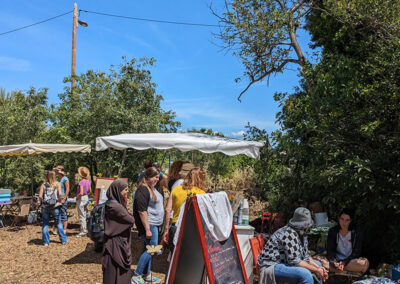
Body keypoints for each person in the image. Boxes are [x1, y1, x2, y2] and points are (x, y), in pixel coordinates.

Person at [258, 207, 328, 284]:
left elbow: (306, 255)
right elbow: (295, 261)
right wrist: (316, 270)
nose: (308, 228)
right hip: (272, 266)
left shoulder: (302, 234)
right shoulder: (288, 233)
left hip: (285, 262)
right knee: (305, 274)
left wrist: (319, 268)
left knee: (318, 264)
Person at [131, 167, 164, 284]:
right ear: (149, 177)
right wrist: (147, 229)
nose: (157, 179)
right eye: (156, 177)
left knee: (148, 249)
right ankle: (136, 275)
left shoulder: (151, 188)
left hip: (154, 224)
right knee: (152, 249)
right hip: (150, 225)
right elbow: (142, 211)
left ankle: (146, 274)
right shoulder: (143, 190)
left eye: (158, 177)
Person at [162, 167, 206, 253]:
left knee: (174, 256)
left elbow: (168, 210)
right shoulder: (202, 193)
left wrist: (166, 229)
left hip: (175, 227)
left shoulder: (176, 189)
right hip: (191, 230)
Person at [102, 179, 135, 284]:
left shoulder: (112, 204)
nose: (127, 191)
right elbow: (131, 220)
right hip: (115, 244)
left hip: (113, 243)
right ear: (117, 190)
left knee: (114, 272)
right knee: (115, 272)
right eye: (125, 189)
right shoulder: (115, 207)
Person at [327, 208, 369, 273]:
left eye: (347, 220)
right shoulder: (333, 231)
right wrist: (333, 262)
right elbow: (330, 250)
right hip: (337, 260)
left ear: (351, 221)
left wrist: (344, 262)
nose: (344, 223)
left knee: (364, 263)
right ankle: (341, 269)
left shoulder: (356, 233)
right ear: (339, 219)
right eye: (342, 219)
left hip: (350, 261)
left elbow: (356, 253)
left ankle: (338, 269)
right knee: (321, 261)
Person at [39, 170, 67, 246]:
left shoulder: (43, 184)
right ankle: (63, 240)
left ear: (46, 176)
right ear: (54, 176)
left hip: (45, 206)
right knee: (58, 223)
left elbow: (40, 196)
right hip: (55, 206)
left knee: (45, 224)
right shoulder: (57, 184)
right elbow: (60, 194)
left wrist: (42, 202)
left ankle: (46, 242)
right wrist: (60, 200)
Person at [76, 166, 91, 237]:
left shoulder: (81, 182)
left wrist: (77, 197)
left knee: (81, 215)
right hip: (86, 198)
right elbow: (90, 191)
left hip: (81, 199)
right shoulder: (88, 182)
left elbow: (81, 193)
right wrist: (86, 195)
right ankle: (84, 229)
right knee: (84, 214)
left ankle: (83, 231)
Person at [54, 165, 69, 233]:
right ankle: (59, 228)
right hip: (58, 198)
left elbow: (67, 189)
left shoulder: (65, 179)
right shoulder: (58, 179)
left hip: (63, 198)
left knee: (63, 213)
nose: (56, 172)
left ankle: (64, 230)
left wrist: (64, 198)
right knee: (57, 213)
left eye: (57, 171)